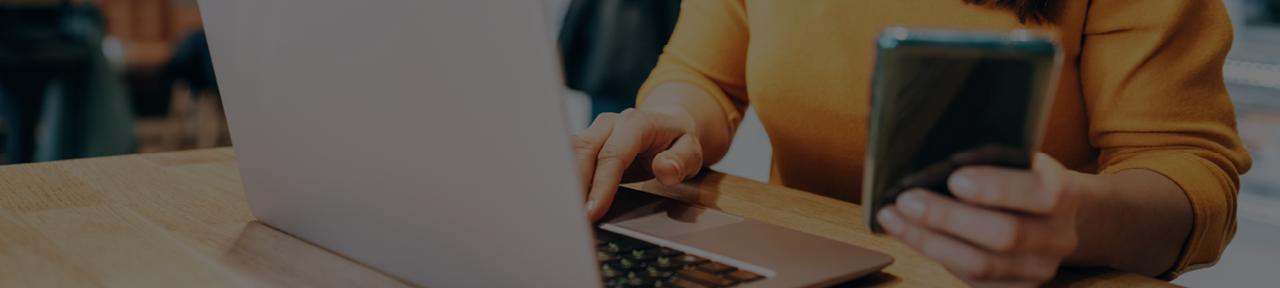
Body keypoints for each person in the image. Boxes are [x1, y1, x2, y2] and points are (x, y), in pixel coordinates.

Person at [570, 0, 1252, 286]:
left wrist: (1073, 219)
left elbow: (1188, 171)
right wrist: (673, 122)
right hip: (804, 266)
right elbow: (702, 77)